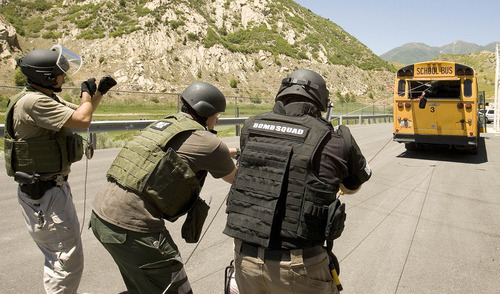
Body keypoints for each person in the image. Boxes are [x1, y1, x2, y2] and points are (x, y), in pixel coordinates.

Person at [223, 69, 372, 294]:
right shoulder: (335, 139)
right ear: (320, 101)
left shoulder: (251, 127)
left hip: (245, 262)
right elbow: (351, 187)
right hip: (299, 267)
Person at [90, 81, 238, 294]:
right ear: (206, 112)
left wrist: (228, 151)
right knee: (175, 288)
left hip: (101, 215)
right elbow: (234, 177)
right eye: (217, 115)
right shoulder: (211, 143)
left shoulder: (167, 124)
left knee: (142, 287)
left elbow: (184, 150)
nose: (217, 120)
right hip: (133, 227)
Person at [4, 45, 116, 293]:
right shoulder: (34, 103)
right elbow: (81, 120)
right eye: (59, 73)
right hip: (45, 195)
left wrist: (98, 94)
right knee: (65, 263)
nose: (63, 77)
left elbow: (77, 114)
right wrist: (86, 96)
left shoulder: (43, 98)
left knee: (62, 258)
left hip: (49, 190)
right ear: (46, 77)